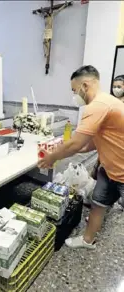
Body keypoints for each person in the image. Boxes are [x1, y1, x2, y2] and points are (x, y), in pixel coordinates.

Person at [38, 65, 124, 249]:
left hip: (122, 173)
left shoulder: (97, 106)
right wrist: (70, 149)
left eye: (74, 90)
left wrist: (52, 157)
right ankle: (87, 240)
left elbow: (75, 143)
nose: (74, 95)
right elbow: (95, 142)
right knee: (98, 204)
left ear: (85, 86)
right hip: (108, 170)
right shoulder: (107, 102)